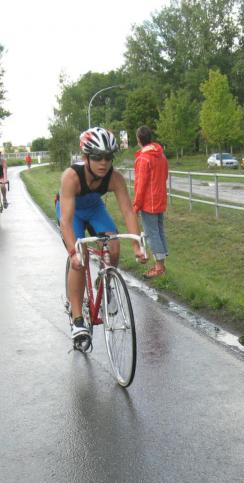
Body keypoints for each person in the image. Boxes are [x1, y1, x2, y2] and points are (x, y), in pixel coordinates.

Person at [57, 126, 147, 343]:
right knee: (81, 259)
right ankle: (77, 319)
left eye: (107, 157)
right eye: (97, 157)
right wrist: (73, 252)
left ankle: (105, 283)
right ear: (85, 157)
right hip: (72, 213)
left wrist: (136, 245)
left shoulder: (114, 178)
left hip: (95, 209)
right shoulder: (71, 177)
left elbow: (128, 211)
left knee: (113, 246)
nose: (103, 163)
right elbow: (66, 221)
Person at [133, 125, 169, 279]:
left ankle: (159, 266)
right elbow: (165, 175)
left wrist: (136, 205)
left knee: (151, 233)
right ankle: (161, 263)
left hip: (149, 202)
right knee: (159, 231)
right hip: (160, 199)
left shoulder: (143, 159)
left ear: (139, 139)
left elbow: (140, 185)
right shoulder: (161, 156)